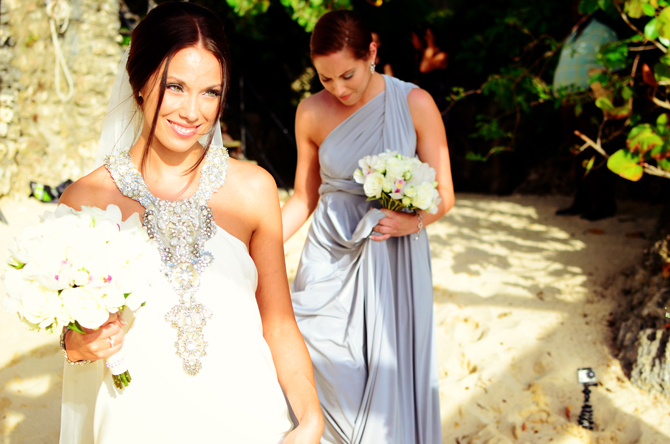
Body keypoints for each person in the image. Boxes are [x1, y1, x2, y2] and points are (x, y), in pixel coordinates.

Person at [57, 3, 323, 443]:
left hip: (248, 419)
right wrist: (78, 346)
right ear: (139, 82)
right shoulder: (85, 201)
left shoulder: (254, 189)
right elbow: (72, 335)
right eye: (175, 87)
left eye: (210, 92)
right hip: (135, 423)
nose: (192, 111)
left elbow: (277, 321)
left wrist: (311, 416)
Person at [281, 10, 455, 444]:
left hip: (391, 255)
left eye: (347, 74)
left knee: (385, 375)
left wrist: (411, 220)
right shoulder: (310, 113)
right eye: (325, 79)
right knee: (315, 351)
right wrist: (249, 247)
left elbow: (445, 195)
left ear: (372, 52)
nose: (338, 89)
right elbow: (303, 198)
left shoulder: (415, 103)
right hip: (329, 252)